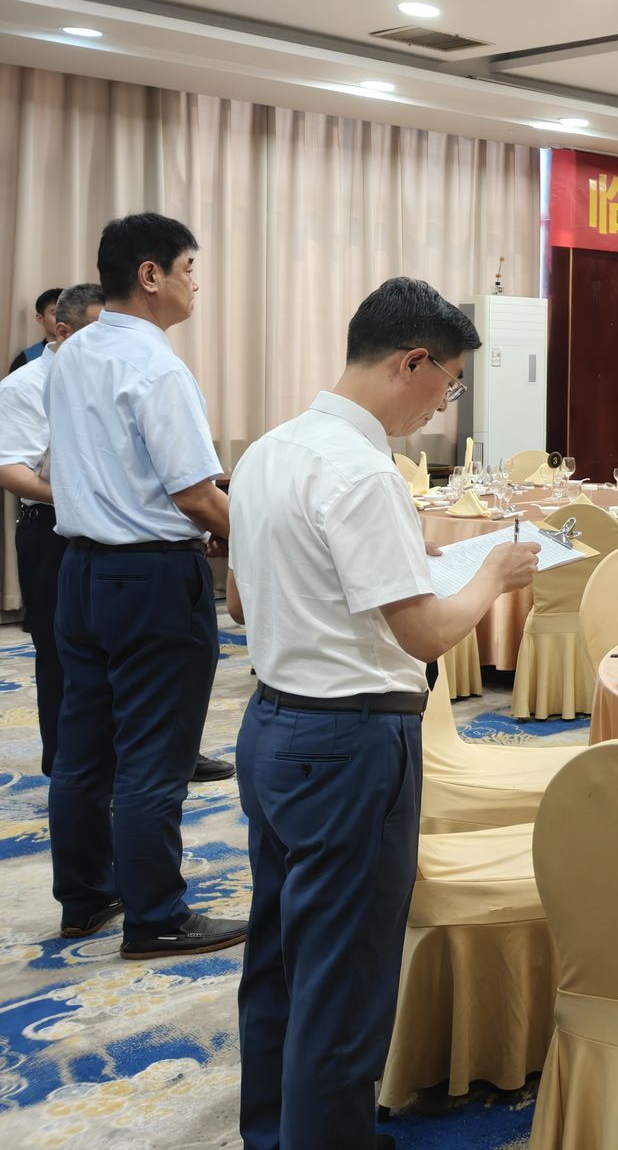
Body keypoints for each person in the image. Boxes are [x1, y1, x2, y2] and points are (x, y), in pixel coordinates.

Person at [228, 277, 540, 1150]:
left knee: (280, 957)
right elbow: (424, 635)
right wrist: (492, 576)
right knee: (346, 980)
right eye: (450, 383)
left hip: (273, 729)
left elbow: (242, 603)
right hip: (350, 744)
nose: (444, 403)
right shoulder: (362, 471)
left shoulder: (269, 451)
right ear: (413, 362)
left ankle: (274, 1133)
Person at [46, 214, 242, 957]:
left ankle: (85, 897)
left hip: (80, 573)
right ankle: (156, 915)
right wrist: (258, 540)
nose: (196, 285)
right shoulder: (157, 367)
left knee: (83, 751)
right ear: (151, 275)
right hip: (152, 579)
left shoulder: (73, 351)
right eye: (190, 268)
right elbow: (194, 494)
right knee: (155, 756)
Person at [0, 283, 103, 774]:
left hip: (107, 533)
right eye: (96, 332)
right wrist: (83, 499)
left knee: (122, 651)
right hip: (51, 532)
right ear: (62, 331)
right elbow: (11, 470)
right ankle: (66, 766)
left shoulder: (107, 379)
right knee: (61, 653)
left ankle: (154, 755)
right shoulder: (24, 386)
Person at [8, 287, 61, 372]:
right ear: (40, 319)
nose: (63, 318)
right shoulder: (25, 359)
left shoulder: (82, 352)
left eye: (67, 312)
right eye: (55, 313)